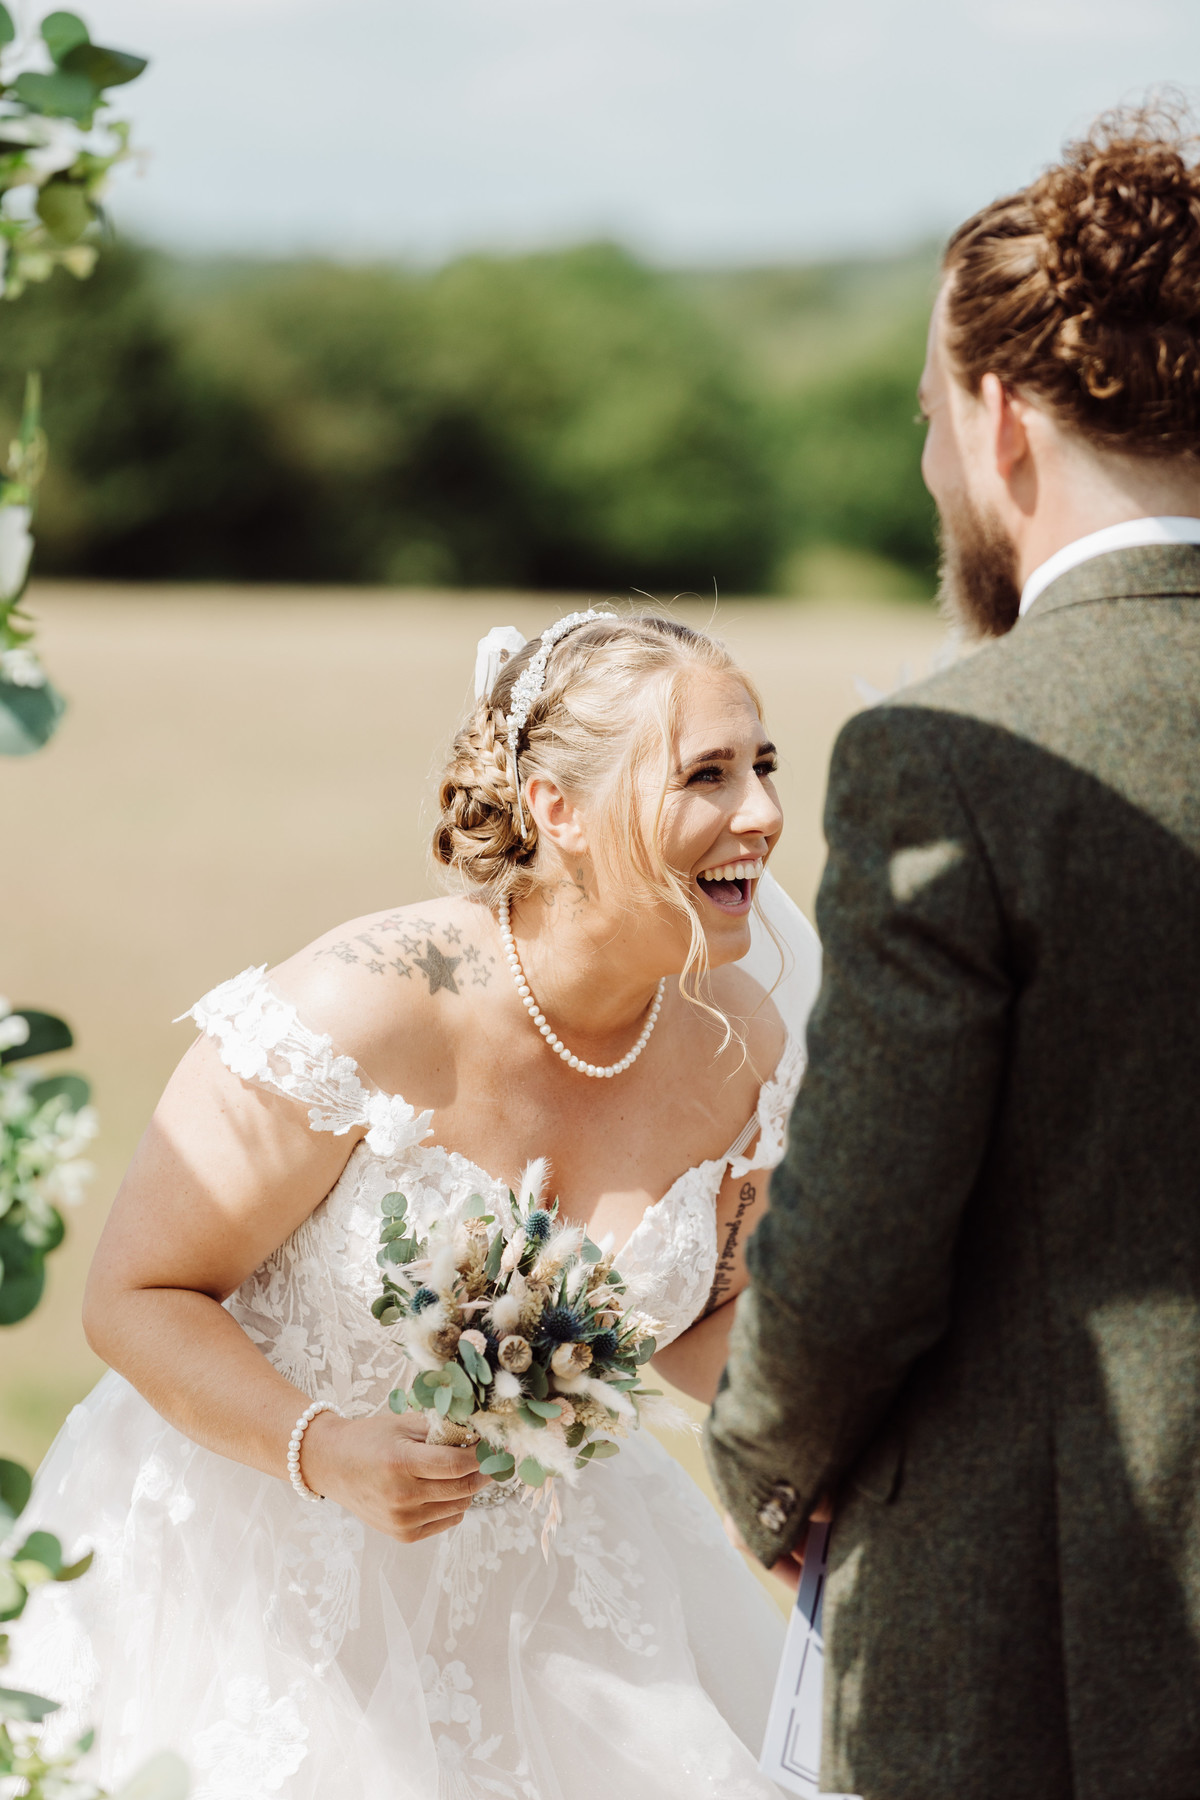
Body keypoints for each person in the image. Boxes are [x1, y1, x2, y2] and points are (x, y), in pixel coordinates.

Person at [8, 609, 822, 1799]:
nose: (760, 814)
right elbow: (136, 1292)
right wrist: (323, 1449)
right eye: (706, 774)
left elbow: (699, 1322)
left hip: (550, 1590)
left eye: (762, 768)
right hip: (258, 1570)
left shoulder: (740, 1036)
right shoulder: (363, 1007)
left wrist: (809, 1478)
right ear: (558, 812)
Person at [706, 101, 1200, 1800]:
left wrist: (765, 1468)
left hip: (1047, 1633)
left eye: (929, 423)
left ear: (999, 427)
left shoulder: (957, 752)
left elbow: (858, 1241)